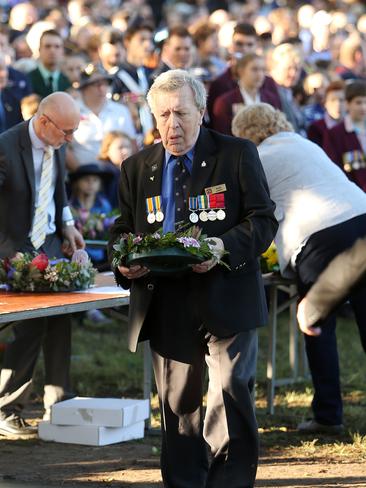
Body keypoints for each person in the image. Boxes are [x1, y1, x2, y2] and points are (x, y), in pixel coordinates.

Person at [108, 69, 277, 487]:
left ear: (202, 111)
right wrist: (124, 261)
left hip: (226, 292)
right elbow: (122, 229)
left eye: (181, 113)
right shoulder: (137, 166)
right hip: (166, 299)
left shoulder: (236, 154)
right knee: (178, 404)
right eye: (163, 115)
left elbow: (263, 219)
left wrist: (223, 248)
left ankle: (230, 482)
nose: (172, 125)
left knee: (231, 394)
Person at [232, 102, 366, 434]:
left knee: (317, 326)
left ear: (244, 135)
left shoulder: (257, 158)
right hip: (362, 218)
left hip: (320, 236)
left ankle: (328, 414)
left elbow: (247, 211)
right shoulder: (305, 143)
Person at [0, 92, 84, 436]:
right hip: (13, 246)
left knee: (60, 317)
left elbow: (56, 191)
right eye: (66, 132)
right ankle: (8, 406)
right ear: (44, 121)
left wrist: (67, 224)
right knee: (30, 324)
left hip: (48, 242)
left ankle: (58, 399)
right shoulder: (5, 147)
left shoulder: (56, 143)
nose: (70, 140)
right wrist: (8, 252)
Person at [66, 64, 136, 170]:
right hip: (83, 177)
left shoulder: (121, 111)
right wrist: (80, 172)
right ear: (84, 88)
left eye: (105, 84)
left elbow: (132, 144)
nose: (102, 88)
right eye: (96, 84)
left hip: (117, 175)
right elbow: (65, 148)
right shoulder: (72, 110)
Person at [211, 53, 281, 135]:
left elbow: (278, 129)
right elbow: (221, 134)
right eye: (254, 69)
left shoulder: (272, 99)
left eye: (263, 70)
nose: (260, 74)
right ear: (241, 71)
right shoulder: (225, 102)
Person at [323, 81, 366, 192]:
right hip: (355, 195)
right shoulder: (335, 134)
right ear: (347, 104)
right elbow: (334, 170)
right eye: (358, 102)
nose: (363, 107)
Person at [28, 29, 71, 99]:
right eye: (47, 46)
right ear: (39, 50)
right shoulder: (28, 80)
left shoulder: (67, 82)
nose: (52, 51)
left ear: (62, 51)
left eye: (57, 46)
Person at [98, 130, 136, 209]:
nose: (125, 151)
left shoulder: (133, 170)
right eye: (120, 147)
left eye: (128, 147)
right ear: (107, 150)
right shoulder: (105, 172)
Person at [307, 80, 346, 148]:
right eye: (332, 100)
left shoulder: (353, 126)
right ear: (325, 103)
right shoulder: (316, 128)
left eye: (341, 100)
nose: (338, 105)